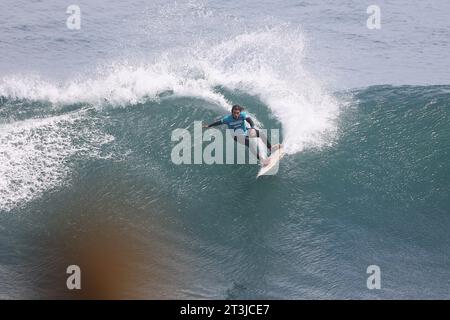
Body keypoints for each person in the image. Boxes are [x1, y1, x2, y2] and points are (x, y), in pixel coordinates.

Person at [203, 104, 278, 166]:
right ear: (232, 112)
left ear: (240, 112)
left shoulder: (242, 115)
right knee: (249, 143)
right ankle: (262, 160)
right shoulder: (227, 119)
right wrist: (209, 126)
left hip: (245, 131)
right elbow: (218, 123)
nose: (236, 114)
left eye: (237, 113)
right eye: (234, 113)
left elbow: (250, 121)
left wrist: (252, 128)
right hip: (237, 136)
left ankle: (271, 149)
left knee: (260, 134)